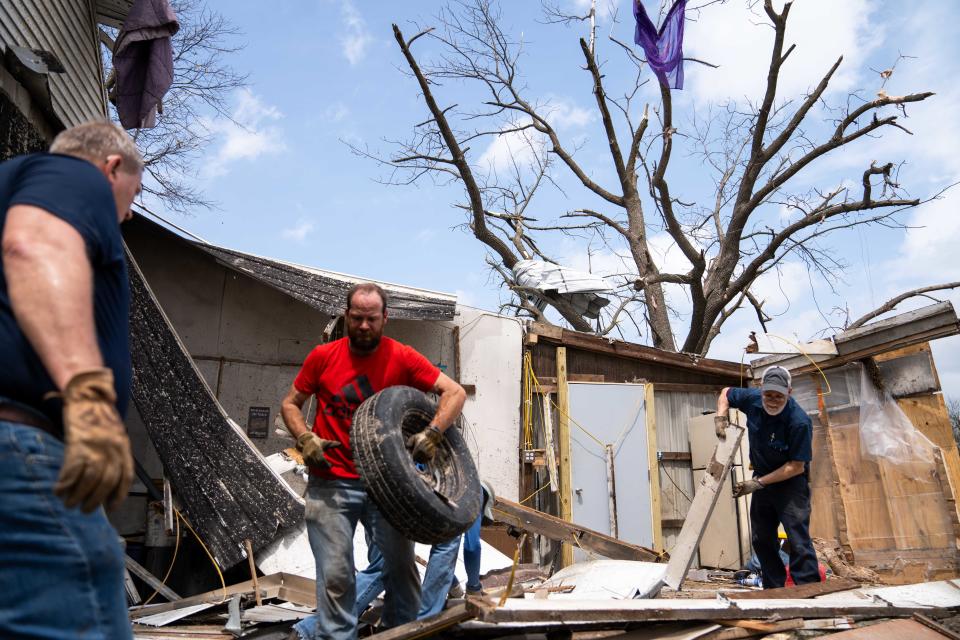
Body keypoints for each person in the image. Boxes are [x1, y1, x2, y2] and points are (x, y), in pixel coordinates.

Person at [0, 120, 143, 638]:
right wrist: (88, 397)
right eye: (134, 192)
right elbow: (35, 244)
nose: (125, 213)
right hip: (22, 454)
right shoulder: (74, 176)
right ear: (111, 168)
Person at [281, 283, 466, 640]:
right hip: (330, 481)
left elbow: (454, 393)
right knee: (336, 577)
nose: (364, 326)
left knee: (401, 573)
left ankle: (399, 635)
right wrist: (305, 437)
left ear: (385, 318)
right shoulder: (323, 357)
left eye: (371, 319)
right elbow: (290, 403)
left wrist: (433, 432)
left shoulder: (402, 357)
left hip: (387, 487)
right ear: (346, 316)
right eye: (357, 318)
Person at [715, 365, 820, 589]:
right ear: (761, 389)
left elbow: (796, 466)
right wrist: (720, 417)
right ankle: (774, 589)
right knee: (762, 538)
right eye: (768, 394)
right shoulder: (752, 399)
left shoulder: (799, 421)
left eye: (779, 396)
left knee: (797, 537)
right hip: (762, 477)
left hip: (790, 482)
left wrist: (757, 483)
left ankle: (810, 591)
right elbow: (725, 392)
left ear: (789, 393)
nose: (772, 400)